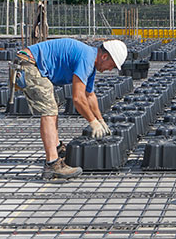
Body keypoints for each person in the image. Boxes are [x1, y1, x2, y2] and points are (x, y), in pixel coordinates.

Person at [14, 38, 128, 181]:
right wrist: (92, 121)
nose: (110, 69)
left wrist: (100, 119)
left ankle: (56, 149)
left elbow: (90, 95)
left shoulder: (91, 63)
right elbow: (78, 98)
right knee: (49, 111)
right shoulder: (87, 59)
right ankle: (52, 165)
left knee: (52, 108)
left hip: (31, 63)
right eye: (111, 65)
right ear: (104, 56)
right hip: (29, 64)